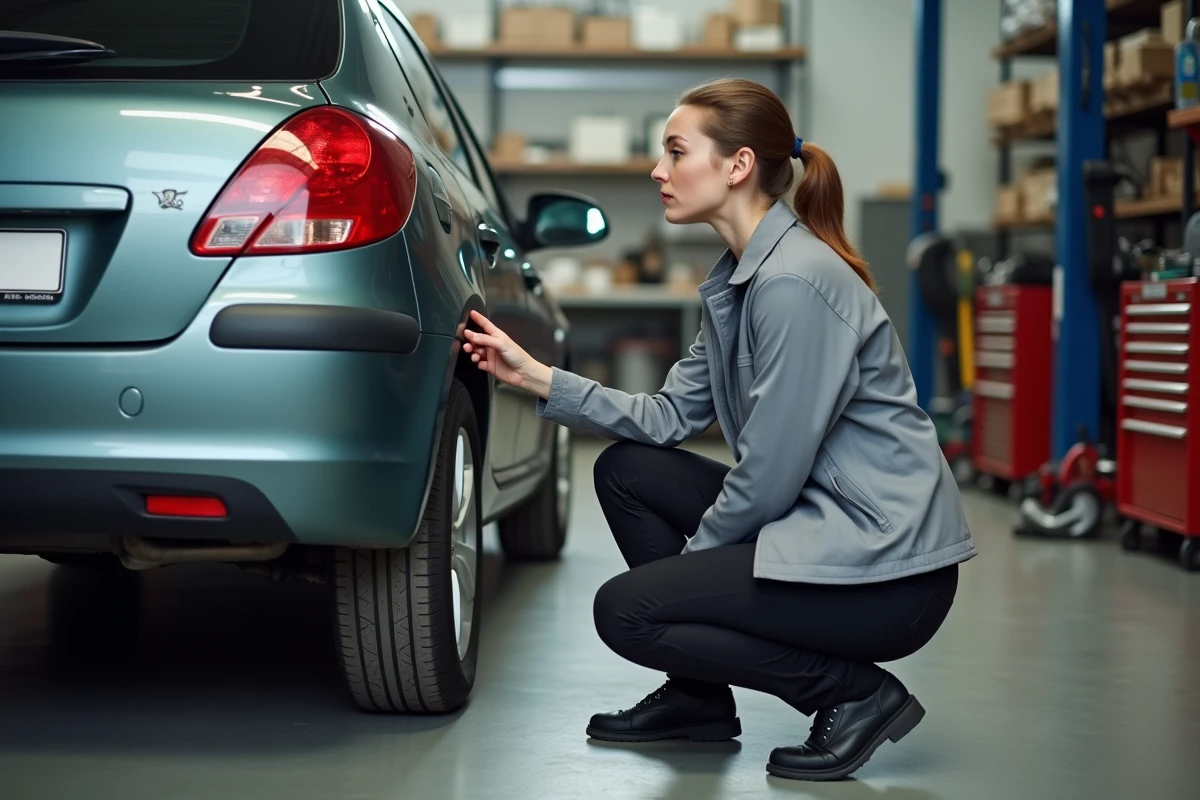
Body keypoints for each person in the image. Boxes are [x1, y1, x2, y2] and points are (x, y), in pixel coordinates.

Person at [462, 77, 977, 782]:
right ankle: (699, 698)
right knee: (627, 471)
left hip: (887, 570)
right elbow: (669, 417)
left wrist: (685, 574)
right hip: (822, 530)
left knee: (629, 615)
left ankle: (854, 695)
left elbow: (769, 474)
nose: (657, 170)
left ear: (737, 166)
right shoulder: (741, 277)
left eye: (676, 151)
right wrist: (538, 376)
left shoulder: (794, 283)